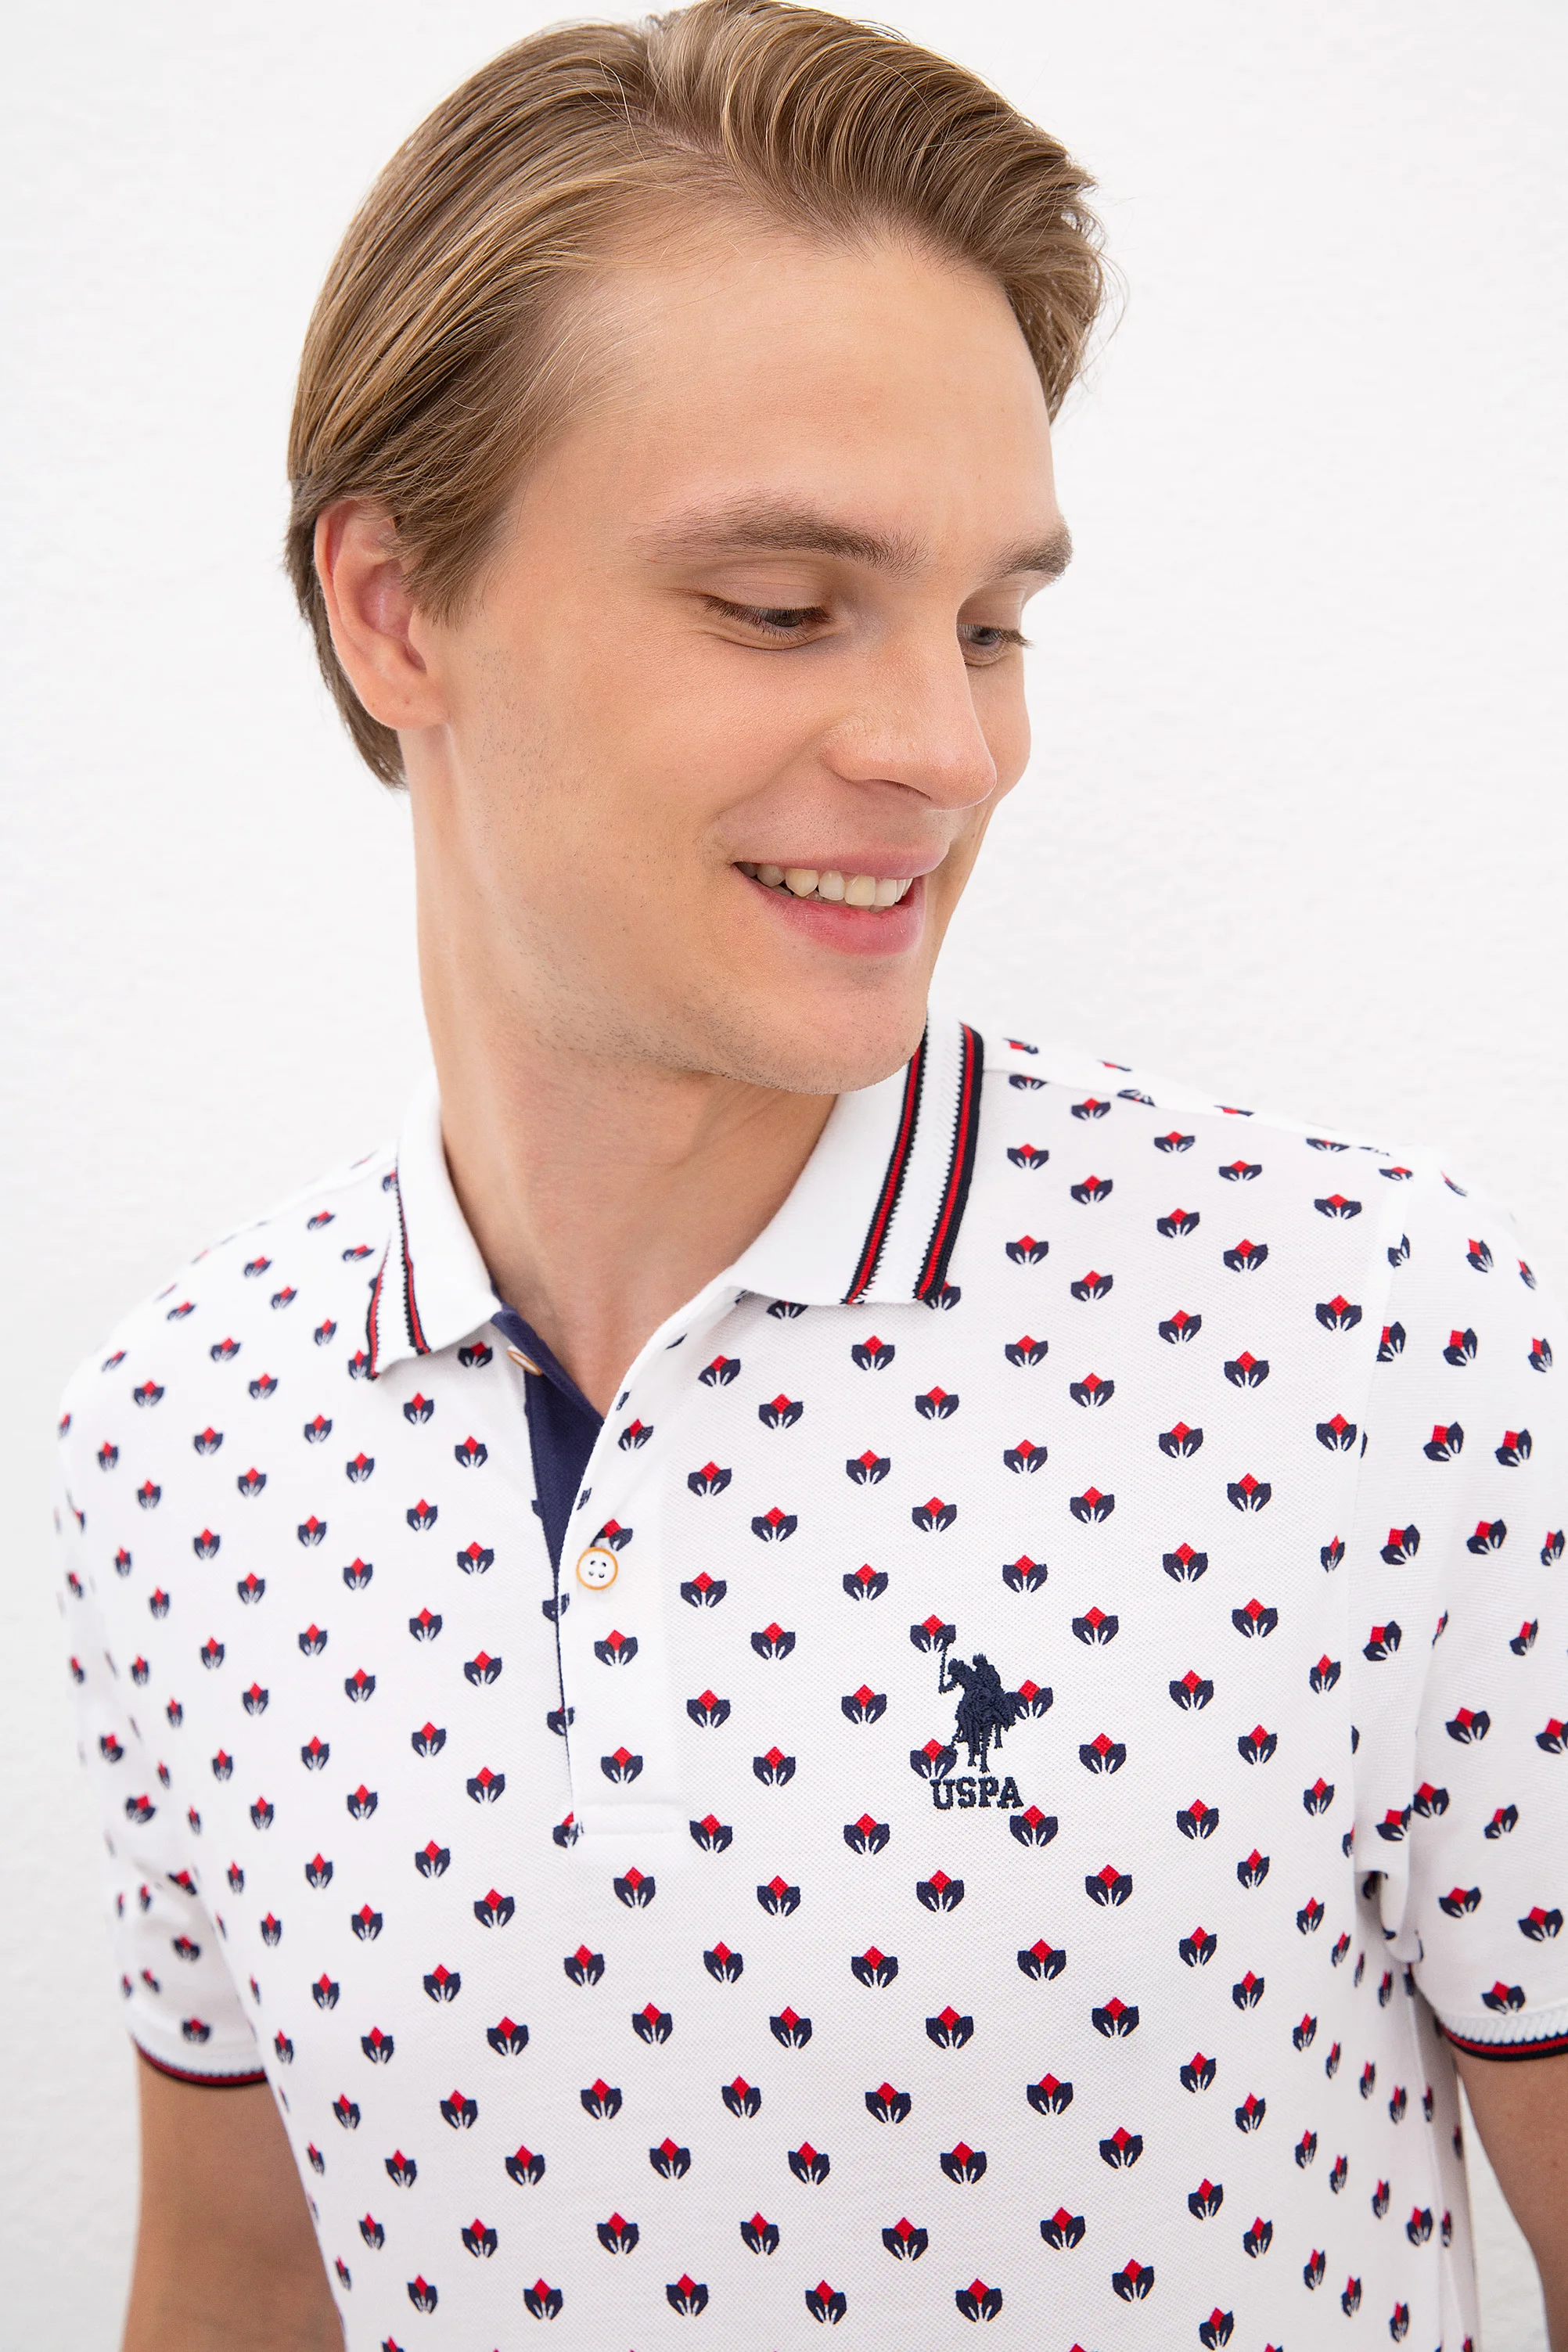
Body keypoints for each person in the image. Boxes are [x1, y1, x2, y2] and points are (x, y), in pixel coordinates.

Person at [53, 4, 1568, 2346]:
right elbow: (242, 2279)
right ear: (393, 604)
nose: (948, 748)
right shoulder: (171, 1451)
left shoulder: (1370, 1335)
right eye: (780, 607)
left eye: (991, 623)